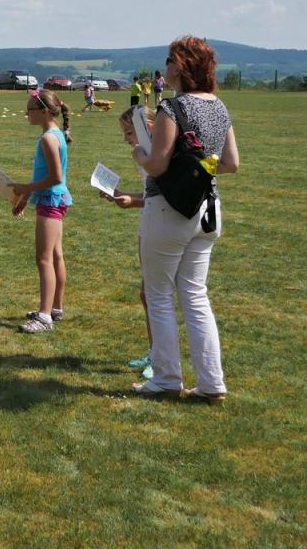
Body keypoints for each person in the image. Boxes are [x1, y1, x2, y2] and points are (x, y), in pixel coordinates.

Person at [129, 36, 238, 402]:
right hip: (207, 210)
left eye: (169, 59)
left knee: (159, 295)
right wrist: (198, 169)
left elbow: (157, 165)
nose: (165, 66)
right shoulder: (219, 106)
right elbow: (231, 163)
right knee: (195, 295)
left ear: (181, 66)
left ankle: (166, 379)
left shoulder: (171, 107)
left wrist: (139, 154)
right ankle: (211, 383)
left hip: (168, 210)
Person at [7, 88, 72, 333]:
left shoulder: (48, 138)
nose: (27, 114)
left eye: (30, 110)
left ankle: (44, 318)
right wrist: (25, 198)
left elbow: (55, 177)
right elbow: (46, 175)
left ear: (44, 111)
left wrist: (25, 189)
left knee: (44, 259)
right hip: (55, 199)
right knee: (55, 256)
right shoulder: (55, 134)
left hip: (51, 201)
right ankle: (55, 309)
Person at [100, 107, 155, 382]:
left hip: (160, 226)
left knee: (154, 295)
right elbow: (150, 193)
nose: (126, 139)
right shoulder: (145, 153)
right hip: (149, 224)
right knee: (147, 295)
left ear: (148, 127)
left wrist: (133, 201)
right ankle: (155, 351)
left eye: (130, 132)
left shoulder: (157, 155)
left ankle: (161, 357)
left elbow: (166, 197)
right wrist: (122, 194)